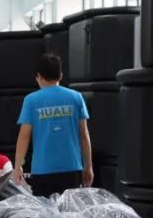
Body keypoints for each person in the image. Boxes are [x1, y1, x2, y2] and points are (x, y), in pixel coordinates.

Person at [14, 53, 93, 198]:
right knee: (69, 216)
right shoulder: (76, 97)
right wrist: (88, 166)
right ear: (61, 76)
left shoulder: (31, 100)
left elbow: (24, 136)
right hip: (71, 168)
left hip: (42, 169)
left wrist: (18, 165)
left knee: (44, 217)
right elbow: (84, 134)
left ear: (39, 76)